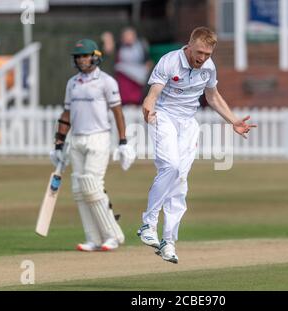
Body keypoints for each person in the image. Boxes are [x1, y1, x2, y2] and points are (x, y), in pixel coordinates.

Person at [137, 27, 256, 264]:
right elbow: (154, 92)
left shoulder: (208, 68)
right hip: (164, 117)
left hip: (188, 123)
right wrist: (148, 106)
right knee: (170, 166)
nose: (202, 58)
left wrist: (233, 121)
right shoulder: (170, 61)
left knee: (180, 178)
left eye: (208, 54)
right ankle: (148, 224)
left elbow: (212, 97)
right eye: (199, 52)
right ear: (189, 46)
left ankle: (168, 241)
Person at [51, 38, 135, 252]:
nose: (81, 60)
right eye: (78, 56)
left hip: (99, 137)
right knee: (79, 189)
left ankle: (113, 236)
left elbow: (117, 112)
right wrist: (59, 144)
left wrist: (123, 142)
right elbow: (66, 114)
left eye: (85, 55)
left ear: (95, 56)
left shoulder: (107, 82)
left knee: (92, 185)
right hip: (77, 139)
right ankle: (93, 238)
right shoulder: (72, 83)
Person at [114, 27, 152, 105]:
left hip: (138, 74)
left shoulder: (141, 46)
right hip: (124, 74)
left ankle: (137, 101)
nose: (128, 38)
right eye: (126, 36)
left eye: (130, 36)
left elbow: (148, 60)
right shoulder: (119, 47)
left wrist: (146, 68)